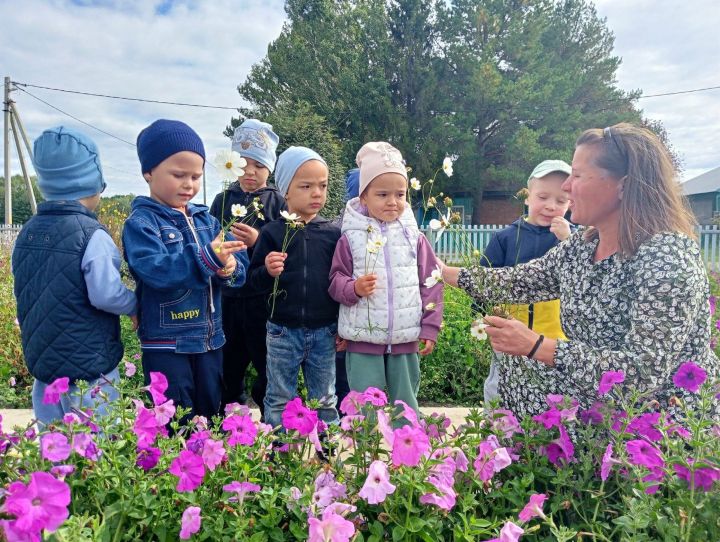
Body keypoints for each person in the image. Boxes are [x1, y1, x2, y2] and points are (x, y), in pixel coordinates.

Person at [441, 123, 720, 419]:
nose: (565, 186)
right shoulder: (584, 244)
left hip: (660, 429)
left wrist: (537, 345)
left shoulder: (666, 258)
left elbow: (642, 372)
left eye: (577, 175)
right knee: (515, 375)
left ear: (623, 185)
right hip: (601, 408)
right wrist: (443, 271)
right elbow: (523, 280)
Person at [123, 119, 248, 421]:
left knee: (208, 413)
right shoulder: (141, 224)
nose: (189, 184)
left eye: (195, 176)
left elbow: (239, 269)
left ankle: (204, 469)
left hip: (210, 340)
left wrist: (228, 268)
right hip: (167, 344)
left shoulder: (208, 221)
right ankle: (166, 469)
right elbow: (155, 269)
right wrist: (206, 259)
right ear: (148, 173)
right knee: (171, 418)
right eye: (178, 175)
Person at [12, 126, 137, 426]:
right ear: (94, 184)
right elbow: (105, 294)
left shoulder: (27, 232)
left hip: (45, 369)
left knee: (53, 443)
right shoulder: (91, 235)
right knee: (99, 448)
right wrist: (135, 303)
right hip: (91, 373)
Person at [329, 142, 444, 417]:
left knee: (405, 404)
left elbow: (432, 281)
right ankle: (365, 456)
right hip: (362, 338)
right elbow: (334, 280)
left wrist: (430, 327)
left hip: (405, 337)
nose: (393, 201)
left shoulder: (413, 237)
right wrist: (353, 288)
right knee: (364, 406)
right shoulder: (350, 237)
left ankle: (407, 455)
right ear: (364, 197)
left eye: (400, 194)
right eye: (382, 194)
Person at [248, 146, 341, 429]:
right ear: (286, 190)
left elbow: (339, 282)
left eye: (322, 186)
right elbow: (252, 281)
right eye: (306, 186)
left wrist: (342, 326)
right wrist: (267, 270)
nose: (317, 193)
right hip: (281, 331)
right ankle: (280, 458)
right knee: (278, 397)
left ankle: (328, 458)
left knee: (325, 399)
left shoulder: (333, 233)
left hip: (324, 332)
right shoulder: (273, 232)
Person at [480, 160, 574, 405]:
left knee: (551, 396)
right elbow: (483, 279)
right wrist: (481, 318)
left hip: (555, 338)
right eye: (543, 197)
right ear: (527, 197)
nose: (551, 206)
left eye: (561, 201)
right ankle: (497, 434)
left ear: (570, 204)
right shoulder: (505, 238)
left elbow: (582, 277)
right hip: (510, 334)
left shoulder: (576, 238)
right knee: (499, 390)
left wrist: (569, 241)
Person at [209, 119, 285, 415]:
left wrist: (258, 240)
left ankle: (272, 421)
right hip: (228, 299)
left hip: (262, 301)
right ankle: (231, 421)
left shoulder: (278, 201)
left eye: (258, 164)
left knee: (267, 363)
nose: (250, 171)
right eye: (243, 162)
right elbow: (211, 237)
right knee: (228, 363)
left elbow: (287, 247)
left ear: (270, 167)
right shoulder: (223, 199)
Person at [332, 167, 360, 411]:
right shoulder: (337, 231)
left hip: (376, 332)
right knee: (343, 384)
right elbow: (330, 282)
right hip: (343, 323)